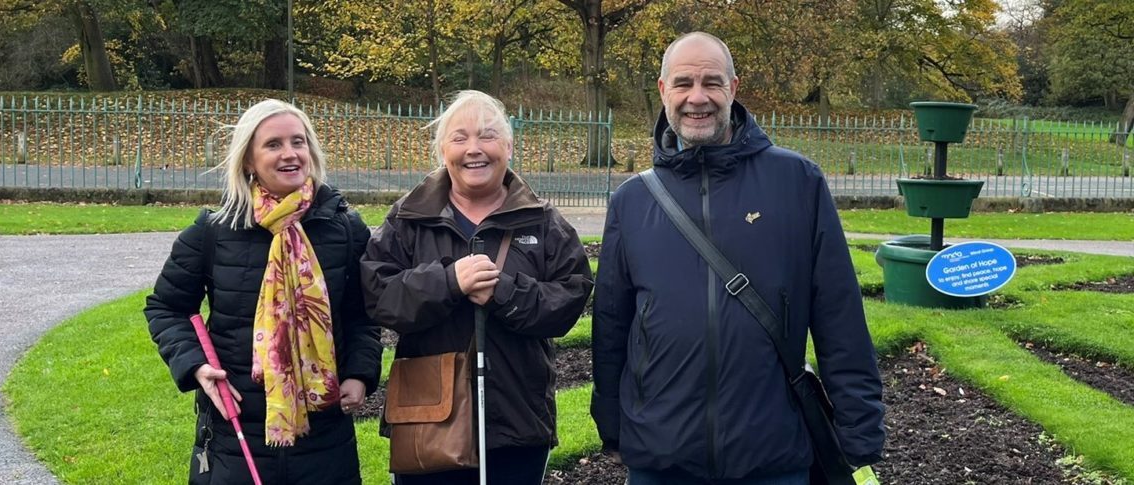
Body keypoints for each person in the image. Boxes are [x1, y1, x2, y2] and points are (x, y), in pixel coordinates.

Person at [591, 32, 885, 484]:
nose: (697, 97)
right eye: (684, 83)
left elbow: (838, 314)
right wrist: (611, 423)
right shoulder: (632, 200)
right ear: (663, 90)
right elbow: (612, 324)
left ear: (733, 87)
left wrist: (859, 428)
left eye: (711, 82)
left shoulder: (796, 182)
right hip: (661, 456)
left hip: (771, 452)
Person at [361, 90, 594, 485]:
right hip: (427, 418)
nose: (474, 149)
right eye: (460, 137)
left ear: (509, 145)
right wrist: (449, 282)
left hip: (517, 420)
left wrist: (503, 292)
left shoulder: (542, 221)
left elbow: (569, 297)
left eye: (487, 136)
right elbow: (379, 295)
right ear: (441, 149)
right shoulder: (408, 218)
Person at [145, 99, 381, 485]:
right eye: (273, 144)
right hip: (236, 434)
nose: (290, 154)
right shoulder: (214, 230)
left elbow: (363, 315)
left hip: (325, 436)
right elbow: (166, 307)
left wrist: (359, 373)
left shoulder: (346, 229)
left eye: (298, 142)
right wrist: (196, 367)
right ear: (249, 161)